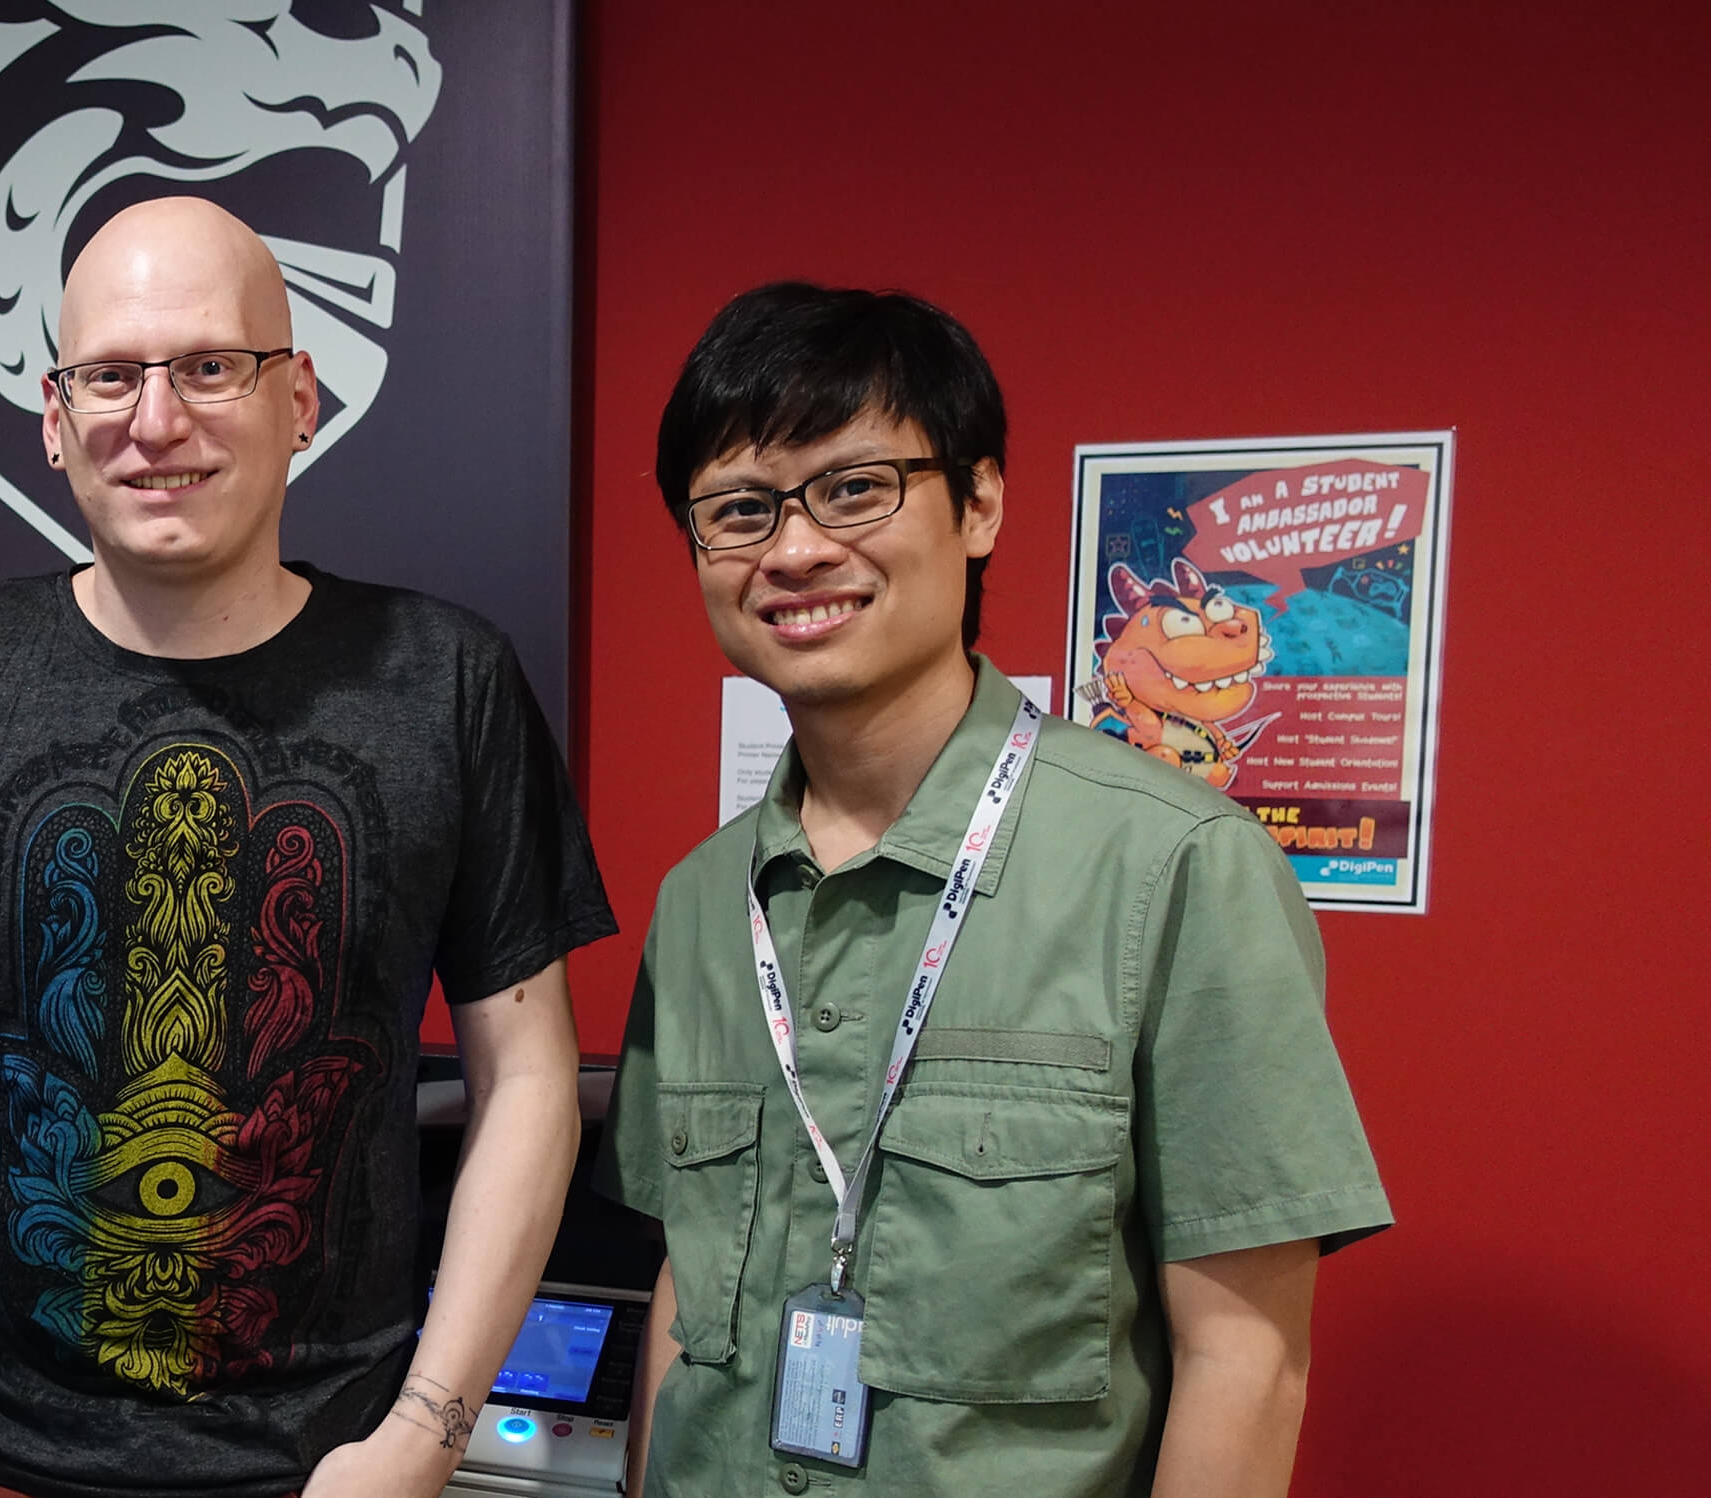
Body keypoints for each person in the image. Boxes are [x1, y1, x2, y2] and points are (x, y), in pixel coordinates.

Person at [0, 196, 618, 1498]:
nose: (156, 420)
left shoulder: (446, 681)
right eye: (111, 373)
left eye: (210, 366)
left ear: (301, 400)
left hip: (323, 1464)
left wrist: (418, 1440)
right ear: (55, 417)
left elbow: (528, 1076)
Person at [595, 283, 1391, 1497]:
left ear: (976, 503)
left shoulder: (1174, 866)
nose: (796, 549)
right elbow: (680, 1291)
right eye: (739, 510)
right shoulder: (704, 900)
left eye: (853, 488)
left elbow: (1246, 1356)